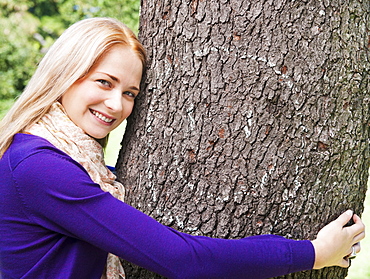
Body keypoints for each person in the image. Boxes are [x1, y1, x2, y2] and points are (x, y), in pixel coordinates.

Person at [0, 17, 365, 279]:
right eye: (104, 82)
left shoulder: (58, 157)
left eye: (130, 93)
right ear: (64, 75)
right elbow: (181, 259)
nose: (116, 105)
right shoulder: (39, 167)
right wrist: (314, 253)